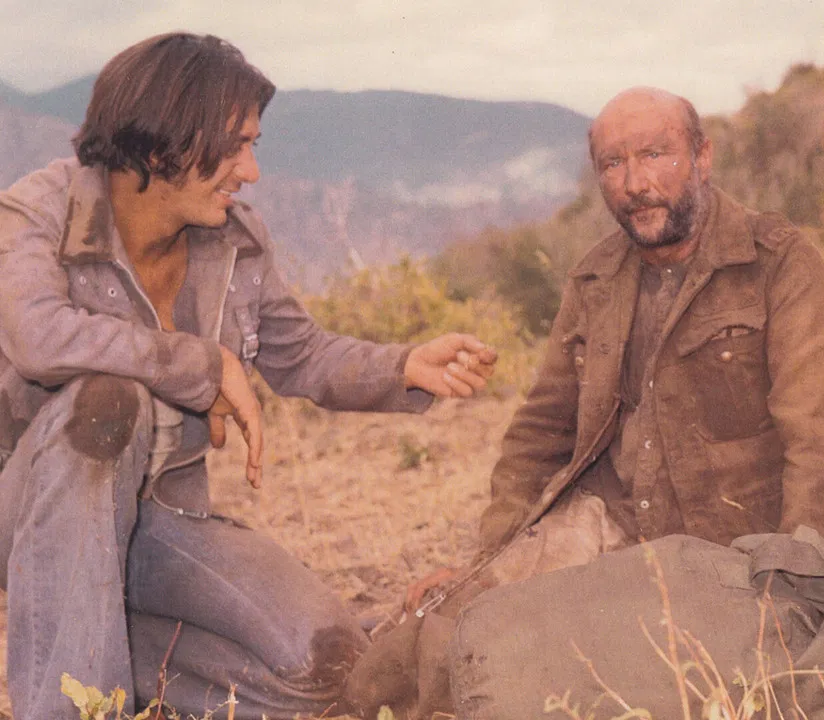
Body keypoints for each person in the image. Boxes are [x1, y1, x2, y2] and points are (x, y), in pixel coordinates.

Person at [0, 33, 497, 720]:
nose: (252, 170)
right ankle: (75, 709)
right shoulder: (43, 208)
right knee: (106, 400)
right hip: (30, 513)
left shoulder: (233, 238)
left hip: (162, 518)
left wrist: (401, 365)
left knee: (333, 665)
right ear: (163, 142)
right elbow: (37, 337)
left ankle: (122, 659)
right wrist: (203, 363)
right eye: (235, 146)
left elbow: (300, 354)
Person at [344, 86, 824, 717]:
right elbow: (538, 435)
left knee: (557, 671)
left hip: (726, 551)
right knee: (430, 645)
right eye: (613, 164)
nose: (634, 183)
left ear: (703, 158)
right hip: (608, 523)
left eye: (655, 155)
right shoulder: (595, 279)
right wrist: (490, 560)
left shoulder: (775, 263)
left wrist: (795, 580)